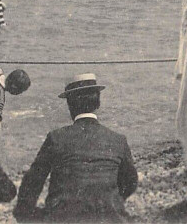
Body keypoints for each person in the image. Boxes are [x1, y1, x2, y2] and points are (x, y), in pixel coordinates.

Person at [14, 73, 138, 222]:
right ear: (98, 102)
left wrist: (25, 213)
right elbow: (130, 182)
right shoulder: (118, 140)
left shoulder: (56, 137)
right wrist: (110, 200)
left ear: (69, 105)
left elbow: (33, 181)